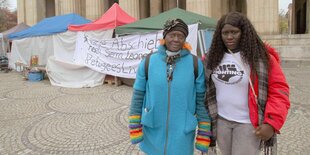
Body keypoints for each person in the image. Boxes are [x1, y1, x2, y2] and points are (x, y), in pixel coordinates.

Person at [204, 11, 290, 155]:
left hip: (248, 124)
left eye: (234, 32)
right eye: (225, 33)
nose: (229, 37)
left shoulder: (262, 58)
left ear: (244, 33)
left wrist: (271, 122)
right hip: (221, 122)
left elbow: (279, 91)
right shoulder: (211, 58)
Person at [129, 18, 211, 155]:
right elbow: (138, 96)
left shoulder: (195, 64)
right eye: (172, 35)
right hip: (152, 130)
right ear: (164, 36)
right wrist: (134, 126)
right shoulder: (148, 62)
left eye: (181, 36)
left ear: (185, 38)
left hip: (183, 134)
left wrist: (203, 134)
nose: (176, 39)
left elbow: (201, 101)